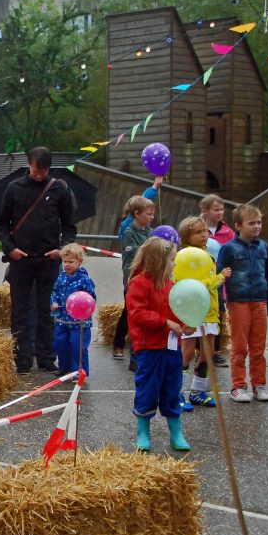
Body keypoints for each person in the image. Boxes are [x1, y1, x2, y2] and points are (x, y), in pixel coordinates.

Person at [0, 147, 76, 374]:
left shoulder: (59, 189)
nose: (39, 174)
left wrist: (61, 250)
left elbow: (70, 227)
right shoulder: (14, 188)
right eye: (36, 170)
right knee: (20, 310)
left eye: (44, 171)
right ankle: (22, 358)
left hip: (49, 259)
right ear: (29, 164)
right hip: (21, 258)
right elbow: (1, 225)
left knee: (47, 310)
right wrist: (10, 249)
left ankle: (46, 358)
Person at [126, 237, 191, 452]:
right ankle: (143, 432)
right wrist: (164, 322)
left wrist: (186, 324)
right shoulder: (139, 283)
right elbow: (137, 314)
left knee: (173, 388)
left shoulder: (170, 285)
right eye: (171, 259)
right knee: (147, 388)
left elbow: (178, 311)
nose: (174, 264)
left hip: (171, 349)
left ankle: (176, 433)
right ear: (158, 260)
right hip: (149, 348)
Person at [216, 205, 268, 403]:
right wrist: (220, 303)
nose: (256, 226)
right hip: (238, 302)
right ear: (238, 226)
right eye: (251, 223)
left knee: (258, 348)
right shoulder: (229, 249)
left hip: (259, 301)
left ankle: (259, 385)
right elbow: (219, 277)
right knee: (240, 347)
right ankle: (238, 386)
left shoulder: (263, 246)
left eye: (259, 222)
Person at [177, 216, 229, 410]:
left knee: (209, 352)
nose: (204, 235)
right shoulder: (186, 256)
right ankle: (177, 393)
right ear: (186, 236)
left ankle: (198, 391)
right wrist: (219, 278)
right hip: (191, 311)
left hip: (210, 311)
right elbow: (192, 285)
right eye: (198, 232)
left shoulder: (208, 254)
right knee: (187, 352)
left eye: (205, 231)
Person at [112, 178, 162, 365]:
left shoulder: (149, 231)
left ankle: (138, 350)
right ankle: (131, 353)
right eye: (148, 214)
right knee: (133, 316)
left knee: (136, 314)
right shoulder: (128, 230)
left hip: (150, 279)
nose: (151, 217)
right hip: (134, 280)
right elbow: (135, 259)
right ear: (136, 214)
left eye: (152, 213)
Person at [49, 244, 96, 377]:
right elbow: (55, 291)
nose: (67, 265)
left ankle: (79, 371)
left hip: (79, 322)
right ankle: (64, 367)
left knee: (78, 347)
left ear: (79, 261)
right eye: (65, 261)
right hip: (62, 319)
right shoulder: (62, 276)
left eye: (71, 262)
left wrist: (83, 308)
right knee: (60, 344)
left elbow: (91, 297)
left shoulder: (84, 279)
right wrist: (54, 302)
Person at [200, 194, 234, 367]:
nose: (220, 213)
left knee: (218, 313)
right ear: (205, 211)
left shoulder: (228, 232)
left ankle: (215, 351)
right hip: (200, 276)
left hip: (218, 280)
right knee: (199, 311)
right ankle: (198, 346)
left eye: (222, 209)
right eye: (216, 210)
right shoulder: (197, 228)